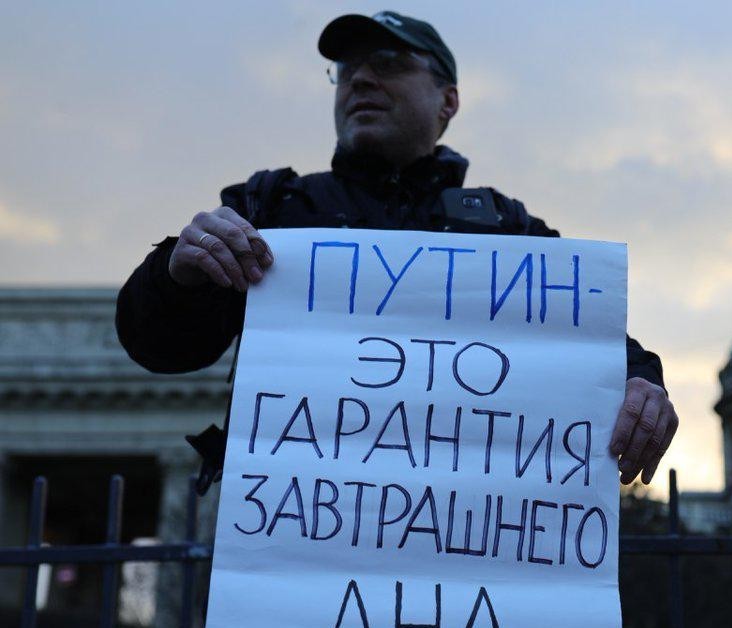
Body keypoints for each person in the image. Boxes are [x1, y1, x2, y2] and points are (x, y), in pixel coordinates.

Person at [115, 11, 678, 491]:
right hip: (294, 533)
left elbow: (597, 342)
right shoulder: (272, 208)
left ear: (447, 101)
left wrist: (642, 384)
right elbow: (162, 349)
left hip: (458, 531)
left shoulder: (507, 229)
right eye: (345, 71)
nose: (359, 79)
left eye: (387, 63)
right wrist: (176, 272)